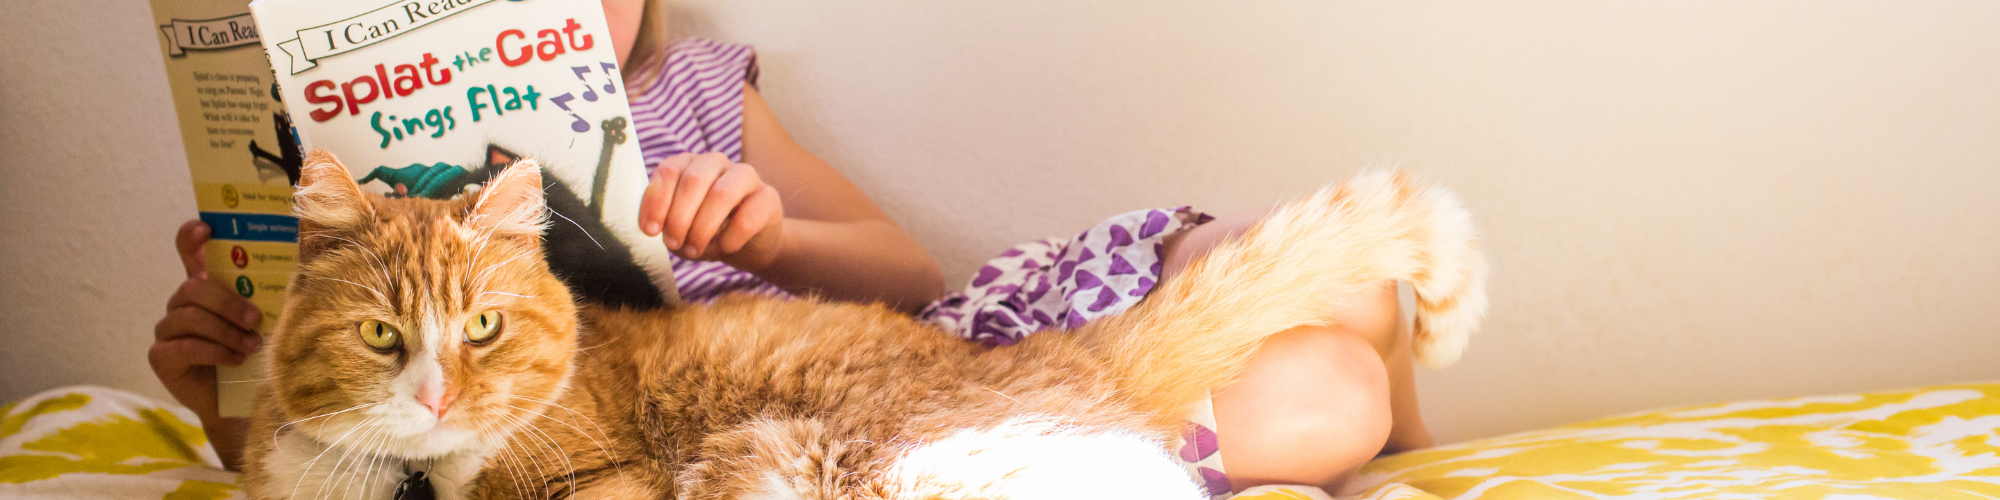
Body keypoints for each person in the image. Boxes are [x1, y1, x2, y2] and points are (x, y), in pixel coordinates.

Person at [149, 0, 1431, 495]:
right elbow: (374, 444)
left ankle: (1420, 443)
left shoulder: (697, 94)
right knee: (1323, 390)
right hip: (744, 436)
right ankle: (1349, 440)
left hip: (906, 348)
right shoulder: (370, 179)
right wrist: (223, 382)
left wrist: (770, 229)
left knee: (1343, 267)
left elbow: (913, 277)